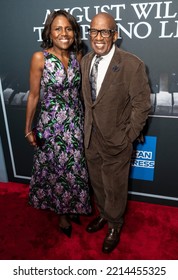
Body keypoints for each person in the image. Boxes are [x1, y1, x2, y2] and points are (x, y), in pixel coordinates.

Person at [81, 12, 151, 253]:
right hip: (91, 138)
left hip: (117, 140)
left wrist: (128, 136)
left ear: (115, 35)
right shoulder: (86, 60)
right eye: (93, 31)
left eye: (105, 31)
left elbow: (142, 105)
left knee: (115, 186)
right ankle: (103, 214)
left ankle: (114, 224)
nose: (98, 37)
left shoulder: (132, 64)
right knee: (98, 183)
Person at [25, 10, 91, 238]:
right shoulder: (39, 58)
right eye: (58, 29)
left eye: (68, 28)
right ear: (49, 33)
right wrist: (28, 129)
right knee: (57, 170)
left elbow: (82, 93)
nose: (64, 33)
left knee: (75, 169)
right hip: (51, 125)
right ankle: (62, 215)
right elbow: (33, 95)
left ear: (74, 32)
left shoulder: (78, 56)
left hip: (75, 122)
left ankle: (73, 206)